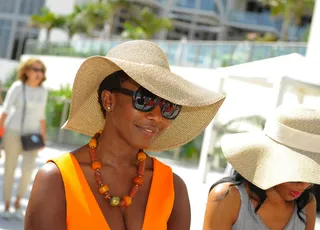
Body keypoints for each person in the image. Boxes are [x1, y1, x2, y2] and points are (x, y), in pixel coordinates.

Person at [24, 40, 225, 230]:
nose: (156, 116)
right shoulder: (57, 179)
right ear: (108, 100)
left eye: (169, 107)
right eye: (144, 99)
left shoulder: (173, 189)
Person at [203, 105, 320, 230]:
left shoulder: (307, 203)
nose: (303, 185)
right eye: (296, 174)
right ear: (270, 159)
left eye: (309, 173)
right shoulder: (228, 198)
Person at [0, 58, 48, 220]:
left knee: (28, 171)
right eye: (35, 69)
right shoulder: (17, 87)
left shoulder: (43, 91)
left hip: (33, 136)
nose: (38, 73)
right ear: (26, 71)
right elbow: (5, 112)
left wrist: (43, 137)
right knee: (10, 169)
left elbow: (42, 116)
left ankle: (18, 204)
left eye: (41, 70)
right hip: (12, 133)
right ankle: (6, 205)